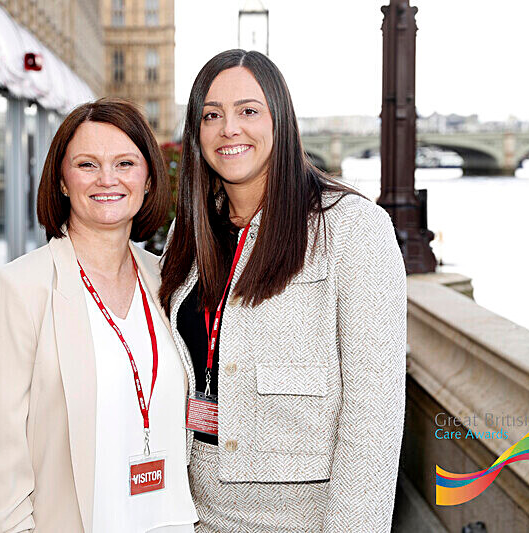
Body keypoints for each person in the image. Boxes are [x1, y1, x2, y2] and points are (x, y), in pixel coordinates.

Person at [159, 49, 407, 532]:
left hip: (302, 519)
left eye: (248, 111)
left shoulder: (352, 229)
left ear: (280, 119)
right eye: (212, 115)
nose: (229, 129)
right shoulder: (187, 234)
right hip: (190, 512)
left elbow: (373, 415)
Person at [0, 98, 198, 533]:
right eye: (87, 164)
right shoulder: (17, 290)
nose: (107, 178)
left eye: (125, 163)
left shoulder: (170, 281)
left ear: (148, 179)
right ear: (62, 181)